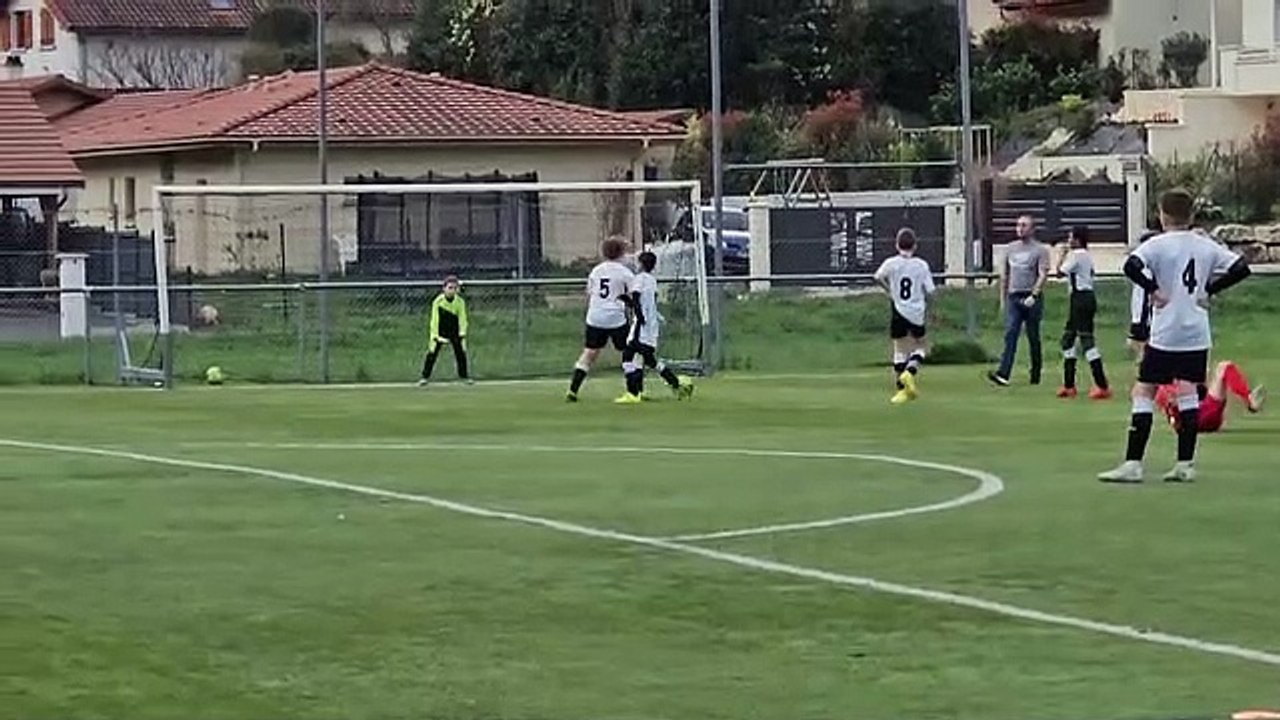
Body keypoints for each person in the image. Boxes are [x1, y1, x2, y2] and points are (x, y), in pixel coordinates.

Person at [1099, 189, 1251, 484]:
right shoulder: (1205, 245)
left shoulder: (1157, 245)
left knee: (1144, 391)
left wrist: (1153, 289)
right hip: (1196, 331)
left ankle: (1133, 464)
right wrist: (1211, 290)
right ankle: (1185, 464)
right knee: (1188, 393)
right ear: (1192, 215)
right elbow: (1241, 268)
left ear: (1162, 214)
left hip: (1166, 331)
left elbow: (1131, 266)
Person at [615, 251, 694, 404]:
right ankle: (673, 384)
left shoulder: (639, 279)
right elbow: (647, 301)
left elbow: (637, 299)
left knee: (627, 358)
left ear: (641, 264)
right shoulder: (652, 280)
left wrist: (634, 309)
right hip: (651, 327)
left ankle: (632, 393)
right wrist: (630, 303)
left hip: (641, 326)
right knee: (647, 360)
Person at [873, 227, 936, 405]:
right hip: (916, 311)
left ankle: (901, 390)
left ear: (897, 244)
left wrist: (890, 292)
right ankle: (910, 372)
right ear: (915, 246)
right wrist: (931, 311)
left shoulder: (891, 263)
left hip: (898, 309)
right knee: (922, 347)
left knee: (899, 350)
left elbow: (877, 277)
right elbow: (931, 291)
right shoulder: (921, 265)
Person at [567, 237, 634, 403]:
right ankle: (634, 390)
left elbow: (590, 292)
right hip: (615, 317)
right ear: (621, 253)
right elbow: (634, 295)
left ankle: (573, 389)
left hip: (595, 316)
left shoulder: (596, 271)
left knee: (590, 352)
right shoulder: (625, 272)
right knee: (629, 352)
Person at [988, 214, 1050, 387]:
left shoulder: (1040, 250)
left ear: (1032, 229)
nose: (1020, 228)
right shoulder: (1010, 249)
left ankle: (1035, 373)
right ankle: (1003, 373)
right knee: (1011, 333)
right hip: (1014, 297)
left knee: (1033, 336)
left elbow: (1043, 274)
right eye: (1018, 225)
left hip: (1031, 297)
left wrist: (1035, 294)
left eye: (1024, 225)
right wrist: (1003, 299)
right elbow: (1004, 275)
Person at [1055, 226, 1111, 400]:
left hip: (1081, 298)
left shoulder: (1077, 255)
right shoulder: (1086, 256)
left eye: (1070, 238)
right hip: (1080, 298)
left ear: (1077, 240)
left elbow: (1059, 272)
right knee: (1067, 340)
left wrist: (1061, 255)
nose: (1068, 241)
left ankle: (1102, 385)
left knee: (1086, 341)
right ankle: (1069, 384)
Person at [1156, 361, 1265, 434]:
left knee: (1222, 368)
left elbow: (1171, 415)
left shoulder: (1164, 381)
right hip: (1202, 416)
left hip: (1195, 418)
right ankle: (1249, 399)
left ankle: (1248, 398)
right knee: (1225, 367)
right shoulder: (1169, 384)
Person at [419, 275, 470, 386]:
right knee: (432, 353)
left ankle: (464, 376)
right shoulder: (438, 302)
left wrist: (462, 334)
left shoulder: (460, 302)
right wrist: (435, 336)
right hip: (440, 330)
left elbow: (462, 318)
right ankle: (425, 377)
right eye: (450, 288)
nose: (452, 291)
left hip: (454, 330)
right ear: (444, 288)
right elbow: (434, 320)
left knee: (460, 352)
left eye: (455, 288)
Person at [1127, 230, 1160, 356]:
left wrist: (1142, 317)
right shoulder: (1143, 266)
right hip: (1140, 312)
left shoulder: (1149, 268)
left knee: (1136, 344)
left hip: (1144, 314)